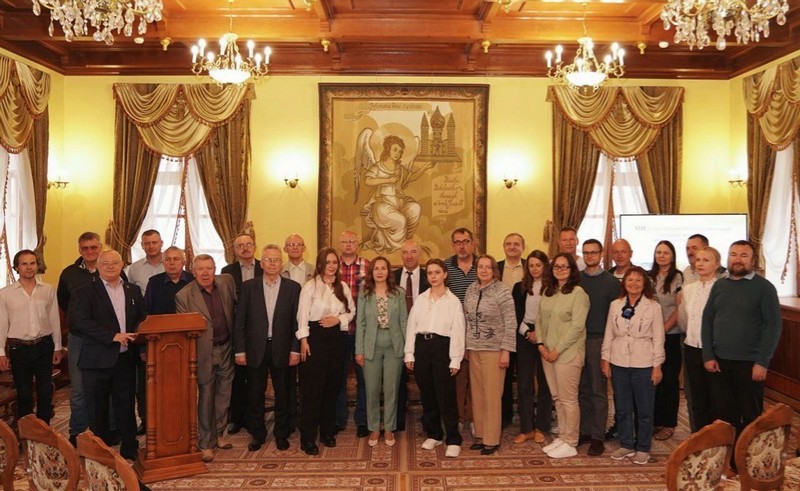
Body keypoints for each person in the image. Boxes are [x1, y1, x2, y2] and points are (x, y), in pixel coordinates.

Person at [702, 241, 782, 443]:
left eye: (744, 255)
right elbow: (707, 319)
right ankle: (728, 457)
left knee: (750, 416)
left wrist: (762, 362)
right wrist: (708, 355)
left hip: (750, 364)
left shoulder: (764, 288)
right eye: (734, 254)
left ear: (753, 260)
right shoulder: (720, 285)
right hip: (720, 363)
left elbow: (773, 327)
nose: (737, 259)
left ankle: (747, 457)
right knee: (723, 415)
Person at [72, 249, 146, 462]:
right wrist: (112, 336)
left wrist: (139, 333)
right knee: (97, 408)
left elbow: (141, 316)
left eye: (115, 262)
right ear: (98, 266)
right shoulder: (85, 291)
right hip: (96, 359)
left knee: (126, 404)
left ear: (122, 264)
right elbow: (82, 322)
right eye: (105, 263)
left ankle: (129, 447)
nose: (111, 266)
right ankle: (100, 450)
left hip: (125, 358)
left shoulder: (133, 290)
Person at [57, 231, 126, 447]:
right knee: (79, 388)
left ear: (100, 247)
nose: (89, 251)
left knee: (109, 386)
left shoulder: (114, 271)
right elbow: (64, 303)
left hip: (109, 340)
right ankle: (77, 431)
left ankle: (110, 430)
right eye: (85, 248)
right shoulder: (69, 274)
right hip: (80, 339)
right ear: (79, 250)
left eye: (93, 247)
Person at [234, 245, 301, 452]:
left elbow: (297, 322)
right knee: (255, 394)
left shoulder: (293, 288)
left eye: (276, 260)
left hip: (283, 349)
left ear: (281, 263)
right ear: (261, 263)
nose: (272, 263)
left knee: (283, 394)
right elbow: (240, 321)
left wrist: (295, 349)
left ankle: (281, 434)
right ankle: (258, 434)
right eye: (268, 260)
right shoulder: (248, 287)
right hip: (255, 349)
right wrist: (240, 351)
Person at [175, 254, 237, 462]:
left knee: (224, 394)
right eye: (200, 269)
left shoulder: (226, 282)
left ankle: (219, 433)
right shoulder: (184, 296)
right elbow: (184, 332)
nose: (205, 273)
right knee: (206, 396)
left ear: (215, 269)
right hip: (202, 353)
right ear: (193, 271)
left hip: (226, 347)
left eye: (209, 268)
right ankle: (205, 442)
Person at [601, 266, 665, 465]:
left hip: (644, 362)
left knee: (644, 408)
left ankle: (643, 447)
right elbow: (609, 333)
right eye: (630, 280)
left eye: (638, 280)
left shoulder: (653, 307)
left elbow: (658, 337)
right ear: (624, 283)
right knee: (622, 407)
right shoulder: (615, 305)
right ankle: (626, 444)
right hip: (619, 361)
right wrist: (605, 359)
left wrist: (657, 365)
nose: (634, 283)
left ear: (644, 283)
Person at [296, 247, 355, 455]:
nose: (331, 266)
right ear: (320, 264)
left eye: (334, 262)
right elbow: (302, 315)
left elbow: (351, 311)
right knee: (312, 391)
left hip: (337, 339)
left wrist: (338, 320)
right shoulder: (310, 286)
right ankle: (307, 438)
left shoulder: (342, 286)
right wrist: (303, 340)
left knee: (332, 388)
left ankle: (327, 432)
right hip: (315, 339)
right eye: (328, 262)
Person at [404, 259, 465, 458]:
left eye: (437, 272)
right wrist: (409, 353)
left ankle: (453, 438)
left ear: (445, 274)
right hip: (422, 347)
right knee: (428, 394)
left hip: (442, 348)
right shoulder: (421, 299)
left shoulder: (453, 301)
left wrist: (455, 358)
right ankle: (434, 433)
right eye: (430, 273)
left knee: (445, 395)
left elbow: (458, 331)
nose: (433, 276)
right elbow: (411, 326)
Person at [0, 250, 62, 424]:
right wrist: (1, 353)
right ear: (17, 267)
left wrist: (57, 346)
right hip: (19, 349)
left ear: (37, 265)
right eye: (24, 264)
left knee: (44, 391)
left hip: (44, 346)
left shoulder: (48, 290)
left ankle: (44, 430)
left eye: (32, 263)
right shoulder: (5, 294)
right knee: (24, 393)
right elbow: (2, 324)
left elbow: (54, 319)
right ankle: (27, 431)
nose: (29, 267)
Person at [463, 255, 516, 456]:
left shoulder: (502, 291)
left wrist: (506, 351)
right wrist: (466, 346)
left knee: (492, 396)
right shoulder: (471, 289)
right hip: (474, 349)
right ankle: (480, 435)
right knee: (477, 395)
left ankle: (492, 439)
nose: (484, 270)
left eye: (488, 267)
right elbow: (467, 318)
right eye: (480, 267)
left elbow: (510, 322)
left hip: (495, 350)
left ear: (494, 270)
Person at [538, 253, 589, 459]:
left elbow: (577, 327)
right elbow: (539, 319)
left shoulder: (578, 293)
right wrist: (540, 344)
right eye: (556, 267)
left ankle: (571, 441)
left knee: (568, 399)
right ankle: (562, 435)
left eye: (564, 267)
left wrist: (557, 349)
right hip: (547, 352)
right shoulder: (548, 291)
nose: (560, 270)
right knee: (557, 397)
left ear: (572, 270)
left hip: (568, 353)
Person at [355, 256, 408, 447]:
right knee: (372, 389)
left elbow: (404, 321)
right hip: (371, 344)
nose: (379, 272)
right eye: (376, 268)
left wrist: (408, 349)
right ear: (371, 272)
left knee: (391, 388)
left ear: (388, 271)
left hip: (394, 344)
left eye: (383, 268)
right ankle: (375, 428)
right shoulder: (364, 293)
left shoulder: (399, 293)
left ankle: (389, 428)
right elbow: (360, 323)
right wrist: (359, 350)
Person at [355, 131, 433, 253]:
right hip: (382, 204)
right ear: (388, 149)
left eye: (400, 151)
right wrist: (387, 180)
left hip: (399, 202)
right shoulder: (378, 167)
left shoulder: (400, 169)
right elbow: (368, 180)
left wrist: (425, 167)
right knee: (400, 220)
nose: (397, 153)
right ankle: (398, 248)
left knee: (415, 208)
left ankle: (407, 240)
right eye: (395, 150)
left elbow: (411, 177)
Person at [578, 239, 620, 456]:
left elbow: (615, 317)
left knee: (598, 390)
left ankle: (597, 436)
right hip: (577, 339)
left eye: (593, 252)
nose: (590, 256)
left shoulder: (611, 282)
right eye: (586, 253)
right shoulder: (576, 279)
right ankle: (585, 430)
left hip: (599, 339)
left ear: (601, 254)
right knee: (582, 389)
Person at [511, 250, 553, 445]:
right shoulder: (519, 287)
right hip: (525, 336)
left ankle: (541, 427)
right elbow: (515, 315)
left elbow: (554, 316)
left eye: (538, 265)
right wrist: (528, 332)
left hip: (547, 337)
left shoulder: (553, 288)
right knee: (524, 383)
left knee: (545, 383)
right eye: (531, 265)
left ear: (545, 266)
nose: (535, 269)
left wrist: (541, 335)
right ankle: (526, 428)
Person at [222, 233, 262, 436]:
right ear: (235, 249)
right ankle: (236, 418)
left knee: (256, 377)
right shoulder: (227, 272)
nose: (245, 248)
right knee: (238, 377)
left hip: (261, 328)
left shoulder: (264, 267)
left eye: (248, 244)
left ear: (254, 247)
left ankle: (255, 417)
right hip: (237, 327)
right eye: (240, 245)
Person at [678, 246, 721, 432]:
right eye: (698, 260)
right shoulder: (688, 289)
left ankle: (717, 437)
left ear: (717, 264)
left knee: (715, 396)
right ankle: (699, 436)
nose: (700, 263)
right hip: (691, 347)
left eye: (706, 260)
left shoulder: (721, 288)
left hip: (713, 349)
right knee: (696, 395)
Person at [126, 229, 164, 436]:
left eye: (154, 242)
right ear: (142, 246)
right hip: (143, 326)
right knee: (144, 380)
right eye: (147, 243)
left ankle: (167, 417)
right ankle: (146, 419)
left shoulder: (171, 263)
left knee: (167, 378)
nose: (151, 246)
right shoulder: (134, 269)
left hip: (168, 327)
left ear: (161, 243)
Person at [648, 240, 683, 441]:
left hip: (670, 335)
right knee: (653, 381)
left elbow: (679, 308)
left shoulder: (678, 277)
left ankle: (669, 424)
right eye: (658, 252)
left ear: (672, 256)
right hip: (650, 337)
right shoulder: (649, 276)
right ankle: (655, 421)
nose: (661, 256)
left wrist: (662, 329)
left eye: (665, 252)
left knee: (669, 380)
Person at [393, 239, 429, 431]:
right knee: (397, 379)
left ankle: (428, 420)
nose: (409, 256)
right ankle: (398, 418)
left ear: (419, 254)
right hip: (397, 335)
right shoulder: (392, 277)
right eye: (405, 252)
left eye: (413, 252)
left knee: (425, 379)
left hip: (422, 335)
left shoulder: (429, 276)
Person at [337, 230, 369, 437]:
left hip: (361, 332)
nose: (348, 244)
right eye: (344, 241)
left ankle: (362, 420)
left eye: (352, 241)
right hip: (338, 332)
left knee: (364, 379)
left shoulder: (368, 266)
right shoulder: (332, 266)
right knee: (338, 378)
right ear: (339, 244)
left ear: (357, 244)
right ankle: (338, 419)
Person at [280, 233, 313, 429]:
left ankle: (307, 415)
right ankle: (291, 416)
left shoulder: (314, 271)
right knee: (288, 376)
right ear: (285, 249)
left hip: (309, 329)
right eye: (290, 244)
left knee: (308, 375)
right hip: (286, 328)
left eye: (298, 244)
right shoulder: (279, 271)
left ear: (304, 248)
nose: (294, 247)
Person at [445, 227, 477, 431]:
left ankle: (474, 418)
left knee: (475, 379)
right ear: (453, 245)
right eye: (458, 242)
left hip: (478, 331)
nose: (462, 246)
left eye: (465, 241)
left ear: (472, 243)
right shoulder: (446, 266)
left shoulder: (482, 265)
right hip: (453, 331)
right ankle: (458, 417)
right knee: (456, 377)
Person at [497, 233, 525, 428]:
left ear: (523, 247)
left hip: (524, 331)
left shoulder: (530, 267)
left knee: (524, 376)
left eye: (516, 244)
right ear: (504, 247)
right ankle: (505, 415)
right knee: (504, 377)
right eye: (508, 244)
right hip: (501, 330)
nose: (512, 247)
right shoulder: (496, 268)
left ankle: (526, 417)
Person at [144, 246, 194, 315]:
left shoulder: (193, 280)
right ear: (163, 263)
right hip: (161, 321)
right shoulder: (154, 282)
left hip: (189, 320)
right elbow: (146, 310)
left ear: (184, 262)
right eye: (167, 259)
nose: (172, 263)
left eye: (176, 259)